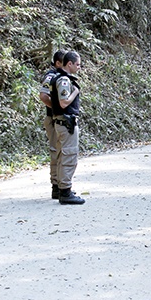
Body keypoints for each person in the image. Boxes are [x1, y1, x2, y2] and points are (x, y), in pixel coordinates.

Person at [49, 51, 86, 205]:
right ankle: (65, 191)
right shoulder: (64, 80)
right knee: (68, 156)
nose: (79, 67)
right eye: (77, 64)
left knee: (61, 155)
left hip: (61, 122)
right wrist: (76, 91)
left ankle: (60, 189)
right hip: (66, 123)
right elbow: (64, 102)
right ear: (69, 64)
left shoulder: (57, 77)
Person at [39, 49, 67, 199]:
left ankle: (63, 185)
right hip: (53, 119)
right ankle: (56, 186)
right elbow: (43, 96)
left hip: (60, 119)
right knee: (56, 152)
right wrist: (56, 108)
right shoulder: (51, 76)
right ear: (57, 63)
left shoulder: (62, 76)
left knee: (64, 152)